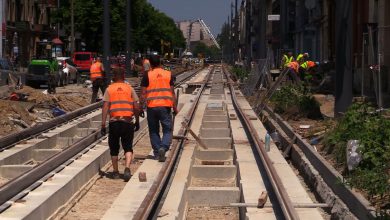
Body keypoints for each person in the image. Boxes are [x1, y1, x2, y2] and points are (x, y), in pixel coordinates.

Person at [101, 67, 140, 181]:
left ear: (113, 76)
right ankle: (127, 168)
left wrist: (103, 124)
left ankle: (116, 172)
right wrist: (137, 120)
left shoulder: (109, 89)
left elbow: (105, 107)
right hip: (127, 122)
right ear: (123, 76)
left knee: (114, 148)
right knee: (128, 147)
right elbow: (136, 107)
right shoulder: (129, 89)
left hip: (114, 123)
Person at [140, 55, 178, 162]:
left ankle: (157, 152)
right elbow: (172, 93)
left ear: (150, 64)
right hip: (165, 106)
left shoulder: (147, 75)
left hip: (152, 107)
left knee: (153, 130)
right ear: (161, 63)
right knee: (167, 129)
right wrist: (175, 108)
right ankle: (163, 147)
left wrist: (140, 107)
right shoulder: (168, 74)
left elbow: (143, 94)